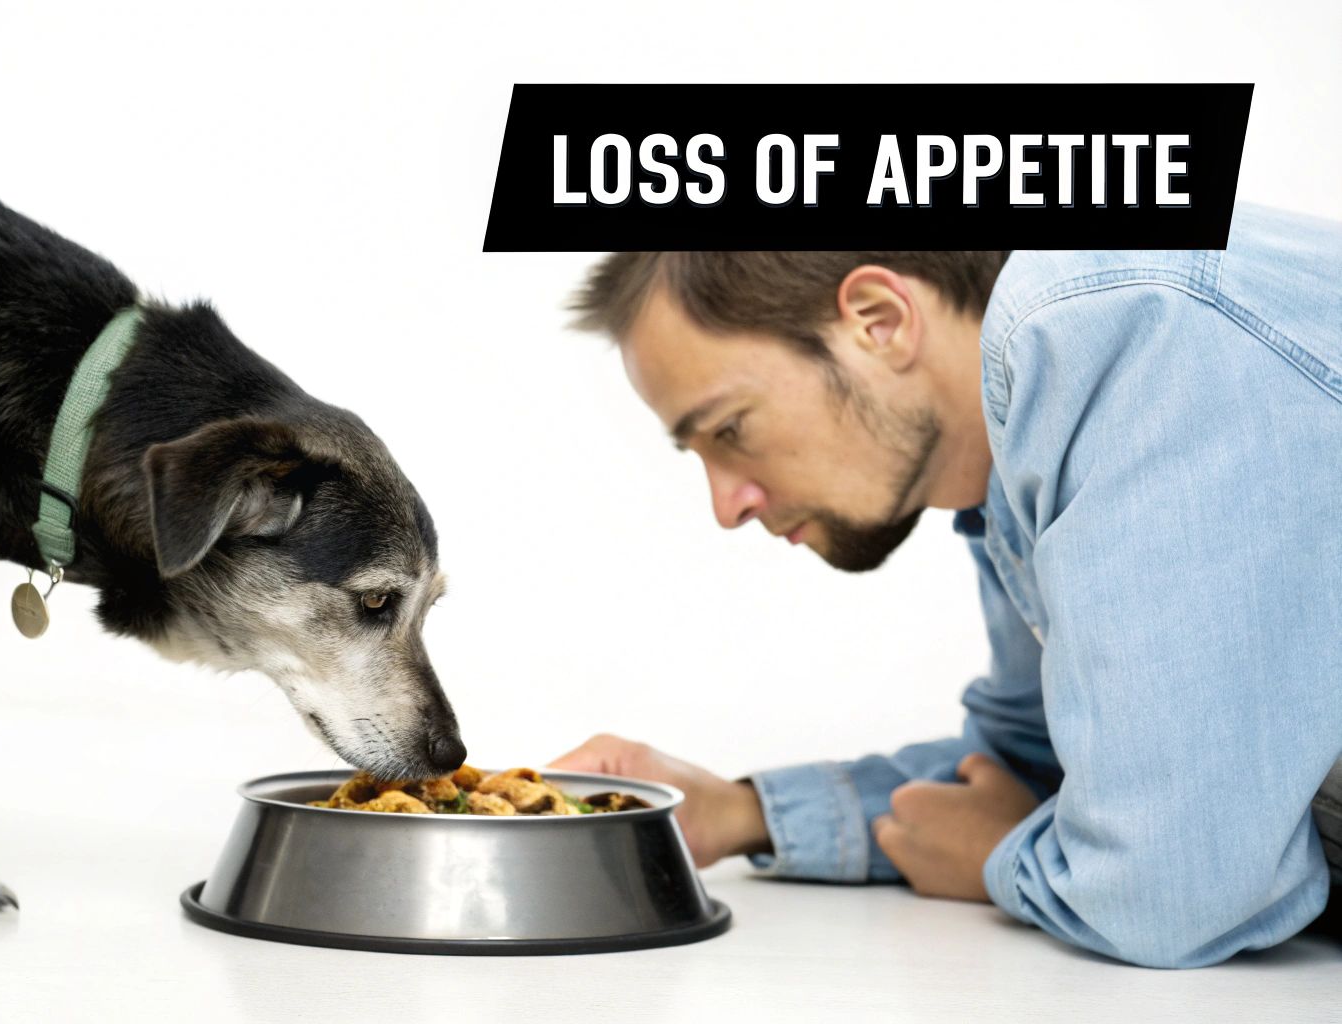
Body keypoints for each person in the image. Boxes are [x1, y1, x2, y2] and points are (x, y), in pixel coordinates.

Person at [550, 207, 1342, 968]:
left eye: (728, 430)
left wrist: (997, 857)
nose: (728, 507)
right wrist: (740, 812)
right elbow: (1044, 768)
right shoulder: (1014, 454)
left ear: (878, 319)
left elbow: (1176, 891)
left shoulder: (1137, 343)